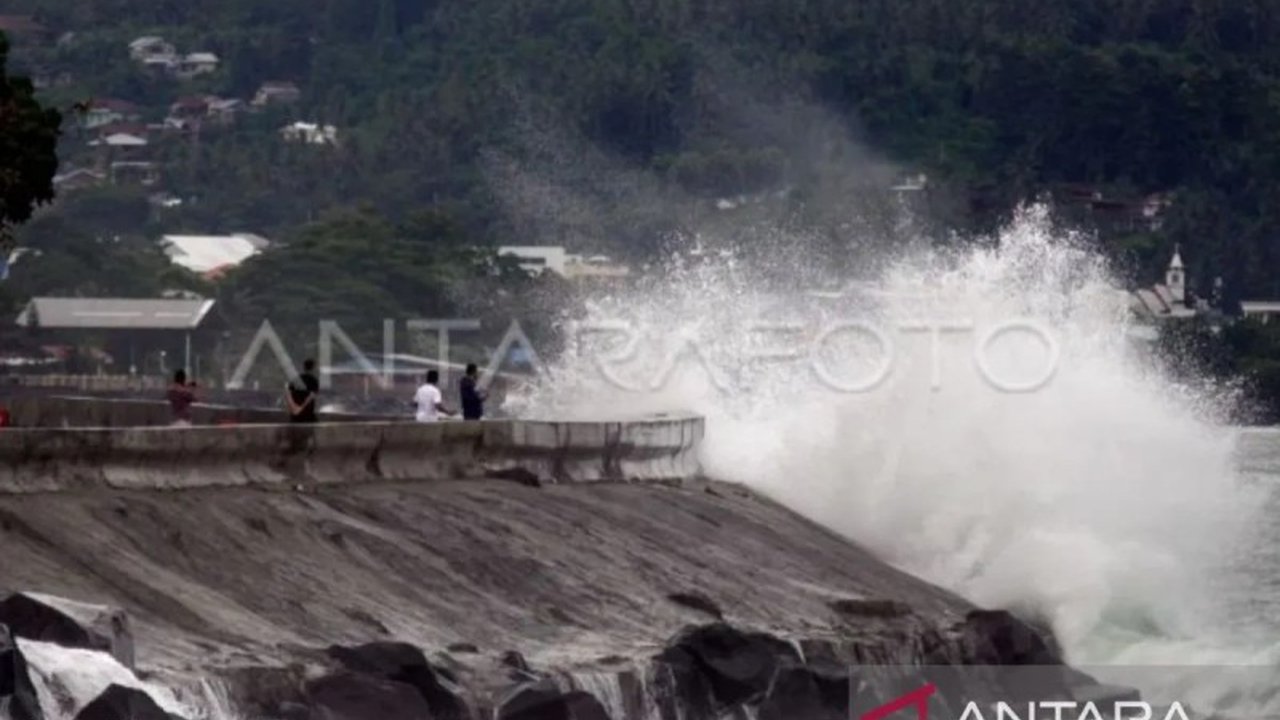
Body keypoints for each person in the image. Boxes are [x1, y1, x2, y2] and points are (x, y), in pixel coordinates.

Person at [286, 359, 320, 423]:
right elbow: (311, 396)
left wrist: (294, 408)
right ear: (313, 368)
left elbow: (288, 394)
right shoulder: (313, 381)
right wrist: (301, 408)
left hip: (295, 415)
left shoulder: (296, 379)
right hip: (307, 414)